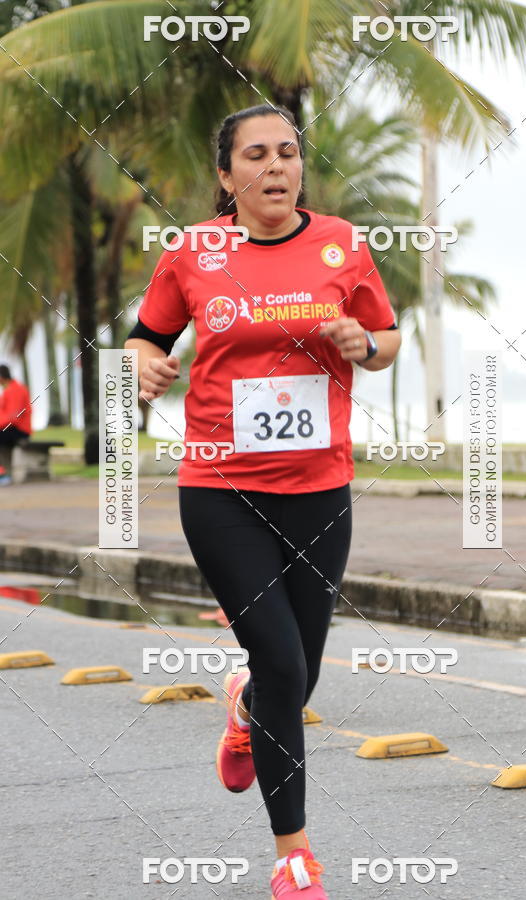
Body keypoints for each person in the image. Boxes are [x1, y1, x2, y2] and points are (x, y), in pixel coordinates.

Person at [125, 103, 401, 897]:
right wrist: (144, 365)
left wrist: (363, 344)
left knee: (297, 673)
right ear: (226, 176)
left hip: (320, 488)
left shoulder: (342, 243)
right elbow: (149, 334)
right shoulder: (195, 253)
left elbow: (388, 337)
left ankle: (247, 709)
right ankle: (294, 855)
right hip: (220, 487)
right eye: (256, 154)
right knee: (279, 657)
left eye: (288, 152)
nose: (277, 166)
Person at [0, 364, 32, 485]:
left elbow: (14, 418)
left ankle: (3, 475)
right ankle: (4, 474)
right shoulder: (10, 389)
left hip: (19, 430)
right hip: (10, 428)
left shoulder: (15, 390)